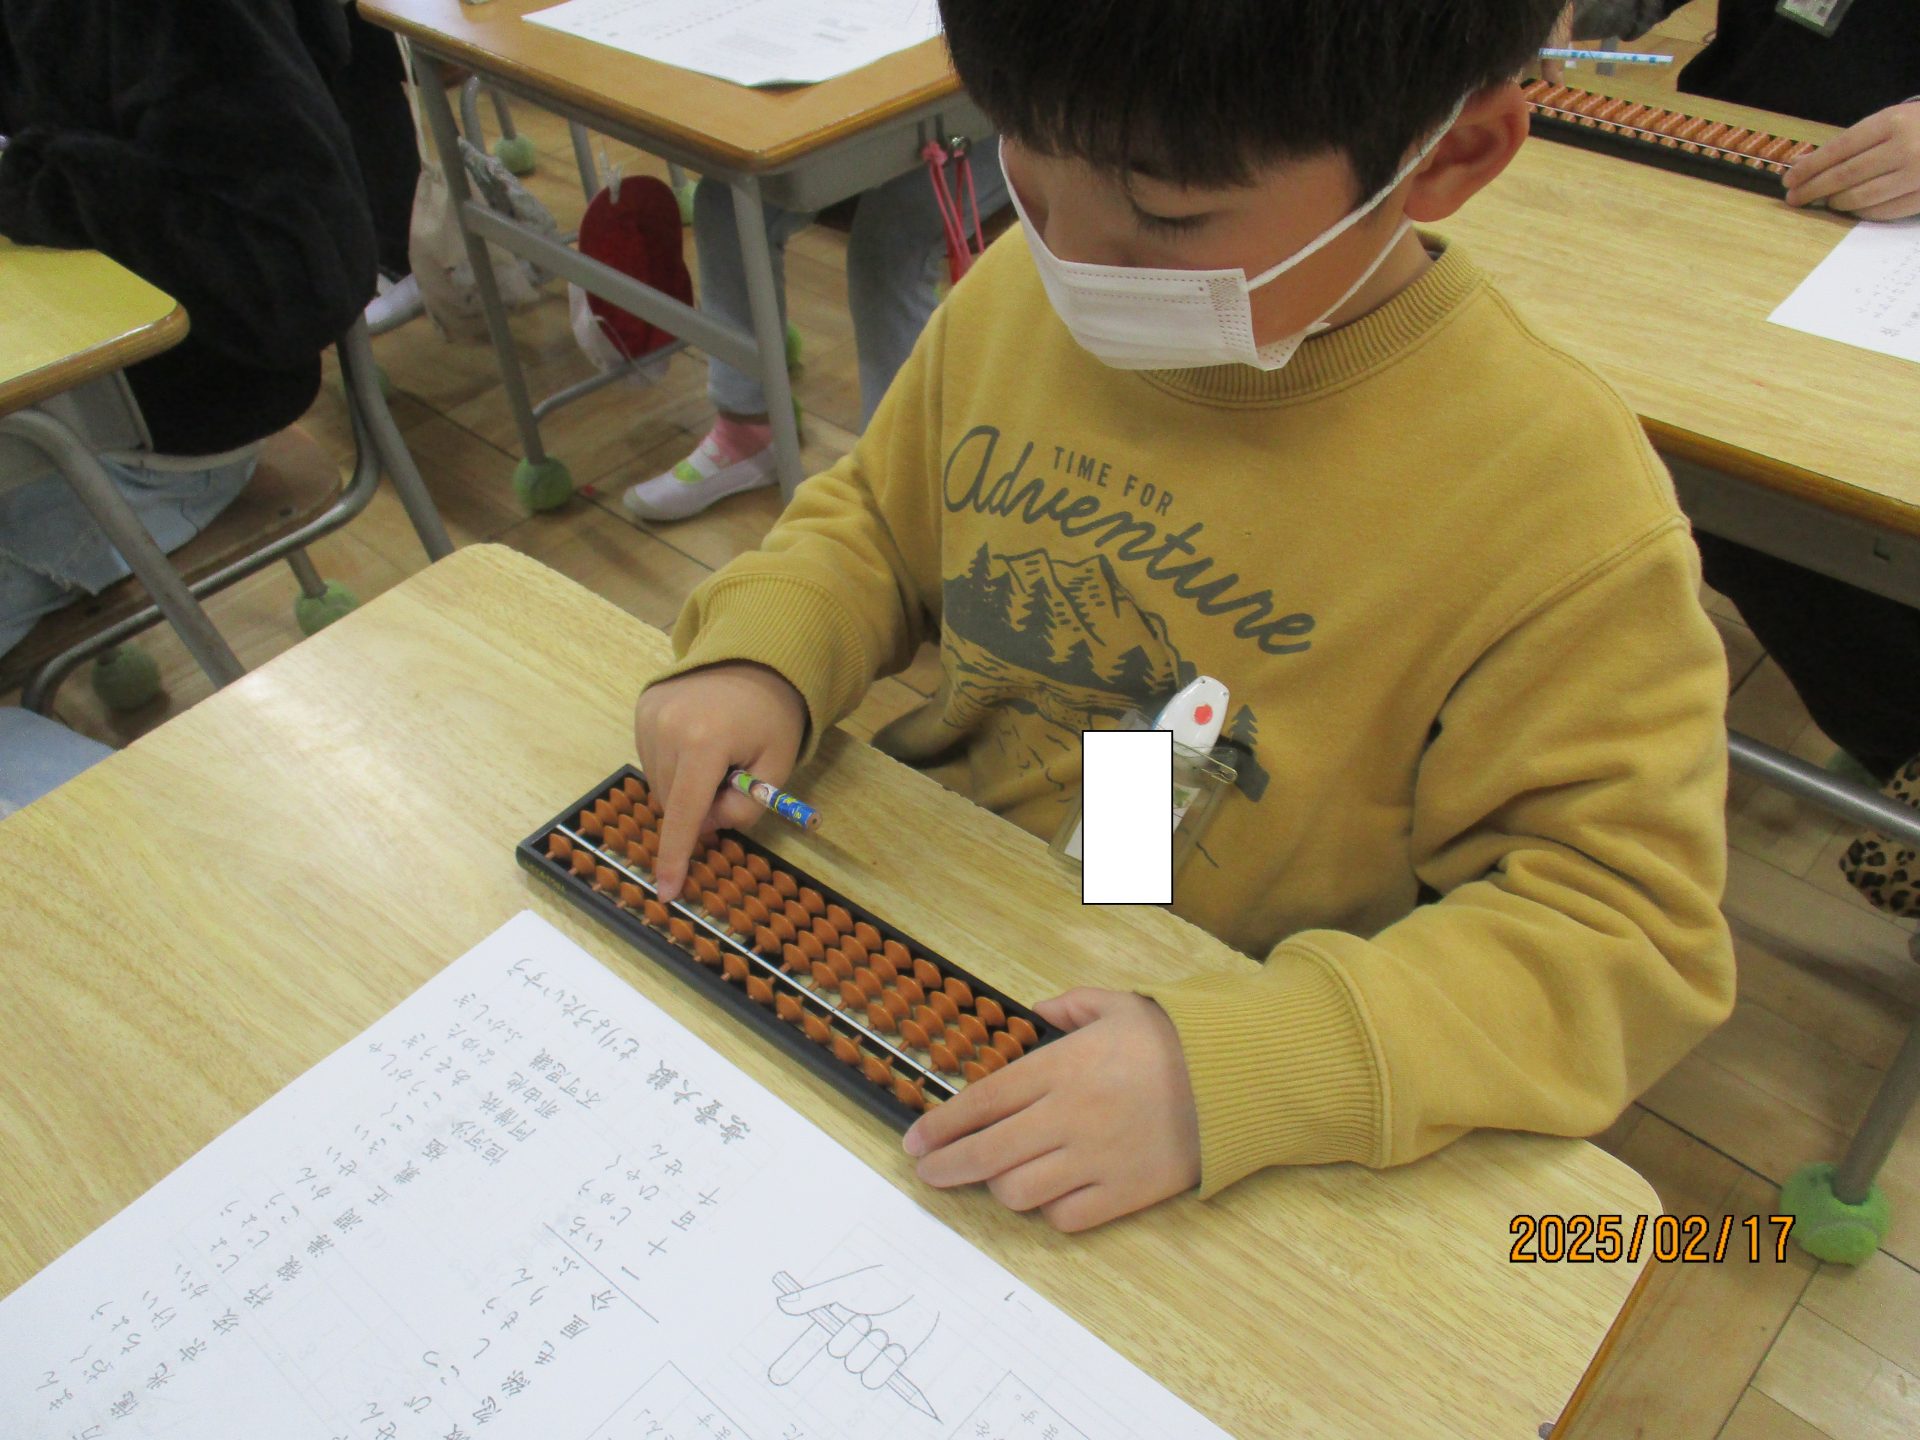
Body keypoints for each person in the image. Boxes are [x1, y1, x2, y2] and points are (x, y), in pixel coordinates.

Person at [632, 0, 1736, 1231]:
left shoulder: (1558, 506)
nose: (1074, 261)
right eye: (1026, 172)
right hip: (923, 926)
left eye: (1166, 220)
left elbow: (1617, 935)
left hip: (1201, 1054)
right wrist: (765, 656)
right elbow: (881, 526)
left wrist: (1238, 1069)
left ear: (1450, 156)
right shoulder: (1021, 292)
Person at [1571, 0, 1920, 779]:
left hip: (1888, 256)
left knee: (1809, 516)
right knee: (1701, 486)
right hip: (1732, 177)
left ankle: (1893, 743)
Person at [0, 0, 378, 657]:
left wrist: (36, 187)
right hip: (74, 392)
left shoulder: (186, 24)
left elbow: (295, 275)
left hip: (155, 436)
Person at [619, 158, 1009, 522]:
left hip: (996, 123)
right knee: (726, 201)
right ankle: (746, 434)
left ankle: (901, 481)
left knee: (891, 240)